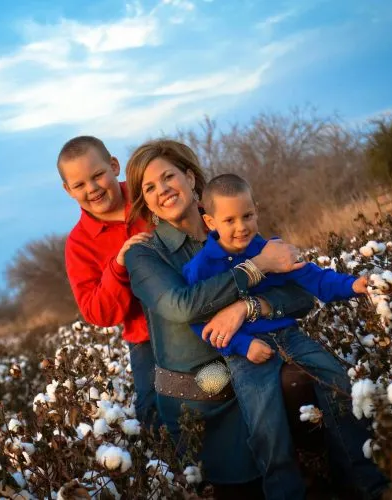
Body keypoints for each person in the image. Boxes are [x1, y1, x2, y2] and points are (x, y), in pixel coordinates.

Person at [123, 139, 318, 498]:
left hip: (257, 373)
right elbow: (182, 306)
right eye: (149, 187)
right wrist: (256, 267)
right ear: (144, 201)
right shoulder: (143, 254)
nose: (162, 190)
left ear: (191, 177)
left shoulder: (234, 227)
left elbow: (302, 295)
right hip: (203, 401)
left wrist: (246, 308)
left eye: (168, 177)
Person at [182, 173, 388, 499]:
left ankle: (361, 480)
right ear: (210, 221)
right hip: (246, 356)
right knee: (267, 429)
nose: (241, 227)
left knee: (339, 383)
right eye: (230, 219)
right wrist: (243, 344)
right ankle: (285, 493)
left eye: (248, 216)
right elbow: (201, 323)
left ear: (256, 211)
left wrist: (352, 285)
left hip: (289, 336)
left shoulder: (269, 249)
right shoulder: (201, 267)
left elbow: (313, 278)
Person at [59, 136, 157, 426]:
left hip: (198, 318)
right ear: (68, 190)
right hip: (146, 341)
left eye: (98, 175)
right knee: (155, 415)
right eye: (79, 185)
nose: (92, 188)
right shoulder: (78, 245)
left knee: (220, 389)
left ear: (114, 166)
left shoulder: (149, 197)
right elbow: (98, 314)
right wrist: (118, 267)